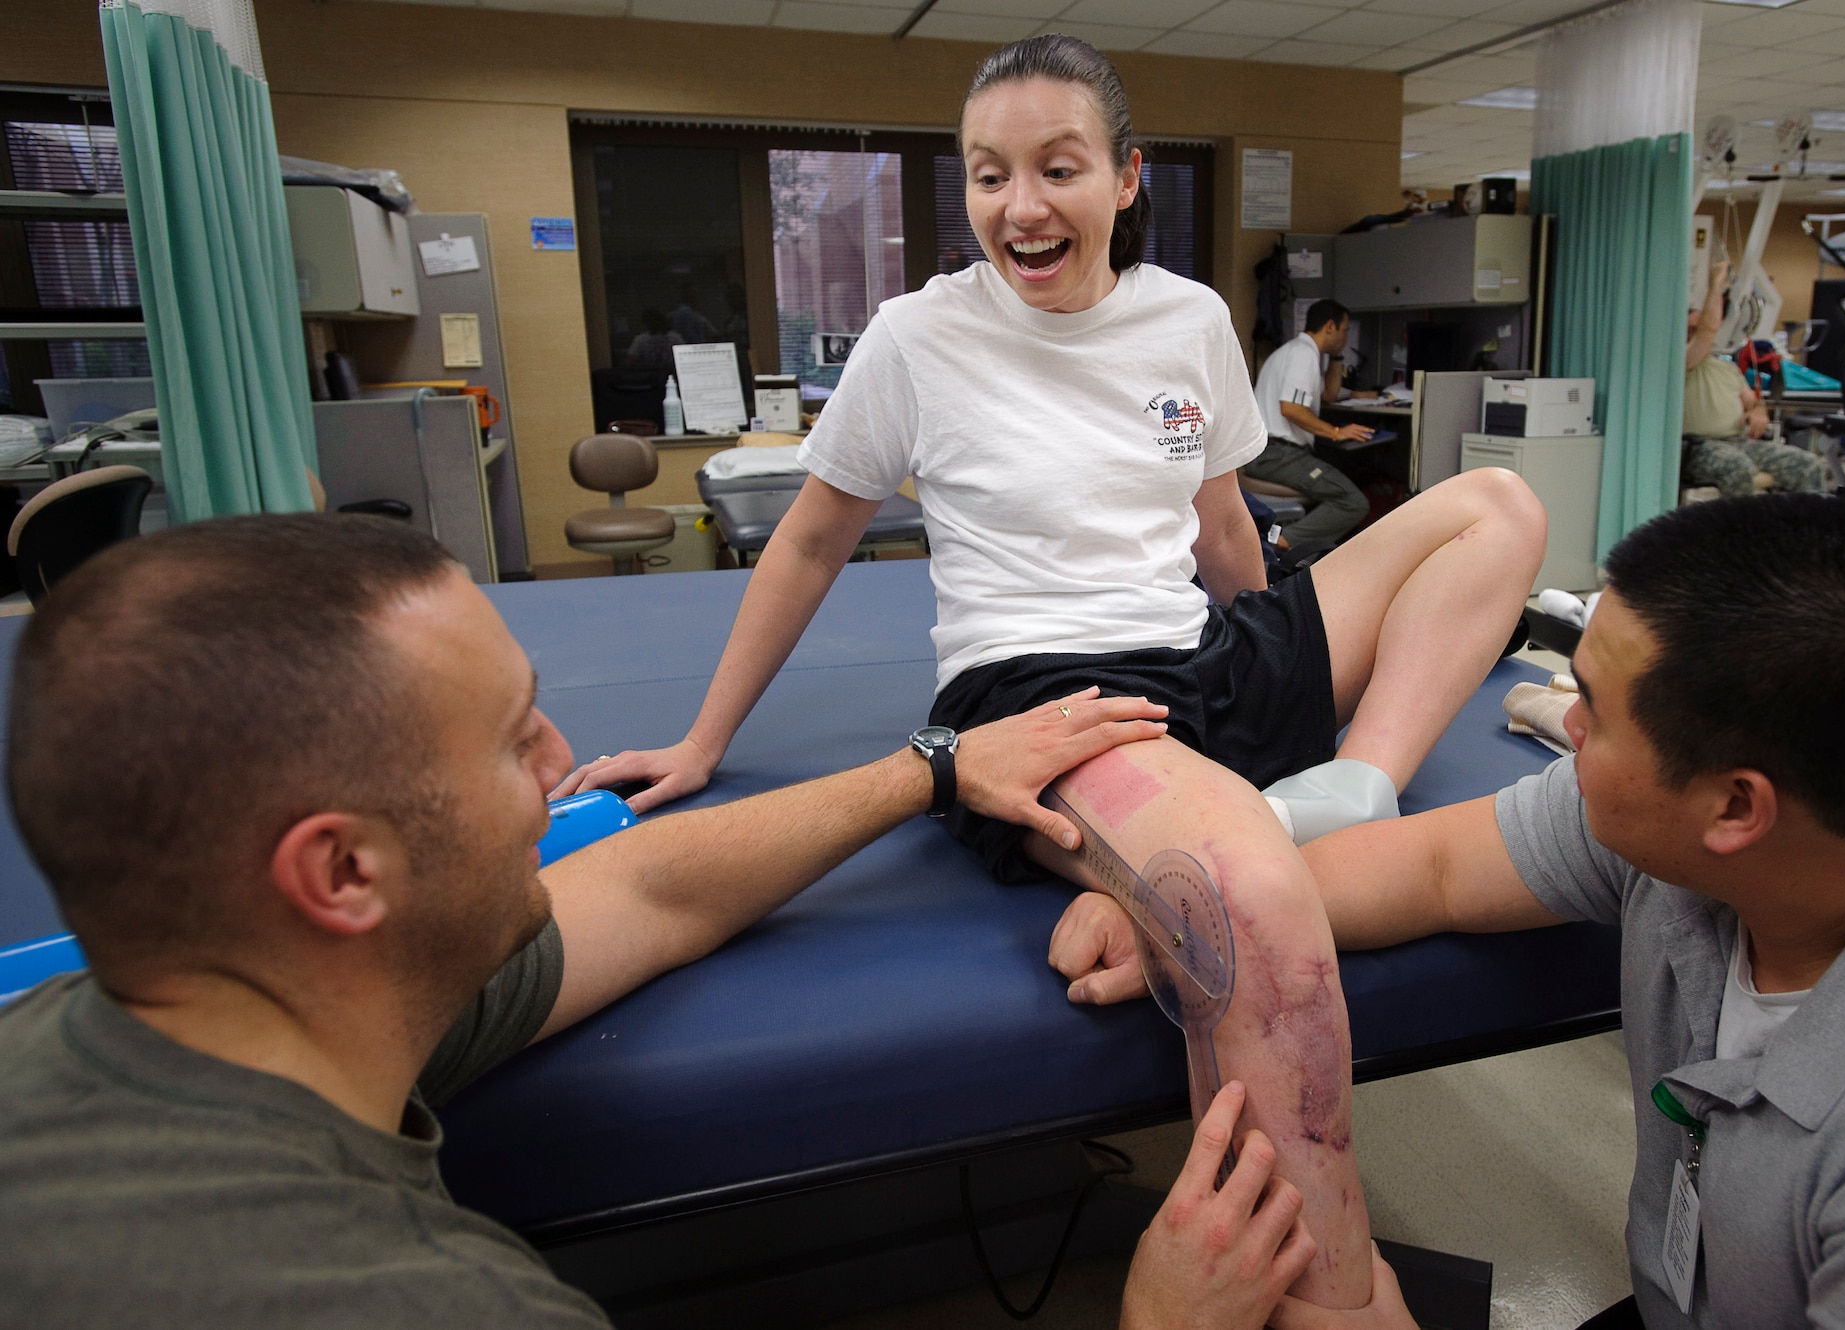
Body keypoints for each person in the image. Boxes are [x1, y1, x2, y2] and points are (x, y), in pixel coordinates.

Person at [558, 34, 1546, 1311]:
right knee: (1245, 894)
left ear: (1125, 179)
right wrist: (701, 741)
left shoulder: (1186, 319)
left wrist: (1284, 671)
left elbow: (1224, 528)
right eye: (986, 175)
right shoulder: (917, 339)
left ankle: (1353, 785)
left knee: (1497, 508)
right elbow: (808, 540)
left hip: (1198, 652)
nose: (1018, 206)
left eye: (1056, 168)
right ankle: (1337, 1298)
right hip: (1048, 701)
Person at [0, 515, 1323, 1329]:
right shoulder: (414, 1301)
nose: (563, 755)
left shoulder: (150, 1015)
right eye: (513, 736)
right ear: (342, 872)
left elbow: (643, 886)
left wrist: (931, 764)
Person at [1054, 494, 1845, 1328]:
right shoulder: (1715, 841)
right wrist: (1210, 917)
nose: (1565, 724)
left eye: (1593, 708)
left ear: (1737, 808)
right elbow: (1426, 864)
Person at [1247, 297, 1375, 555]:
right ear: (1330, 326)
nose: (1347, 336)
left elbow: (1329, 394)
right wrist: (1336, 433)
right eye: (1345, 330)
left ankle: (1298, 548)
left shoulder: (1299, 351)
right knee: (1353, 502)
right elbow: (1291, 409)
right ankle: (1280, 543)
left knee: (1340, 477)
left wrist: (1337, 355)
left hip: (1274, 452)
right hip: (1278, 453)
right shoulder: (1303, 354)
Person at [1682, 262, 1820, 498]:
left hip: (1738, 442)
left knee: (1807, 464)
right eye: (1690, 329)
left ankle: (1805, 531)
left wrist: (1757, 412)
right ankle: (1742, 533)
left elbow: (1751, 401)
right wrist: (1716, 284)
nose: (1697, 333)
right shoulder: (1683, 362)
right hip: (1699, 448)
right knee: (1739, 469)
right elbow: (1708, 330)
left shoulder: (1726, 368)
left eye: (1698, 327)